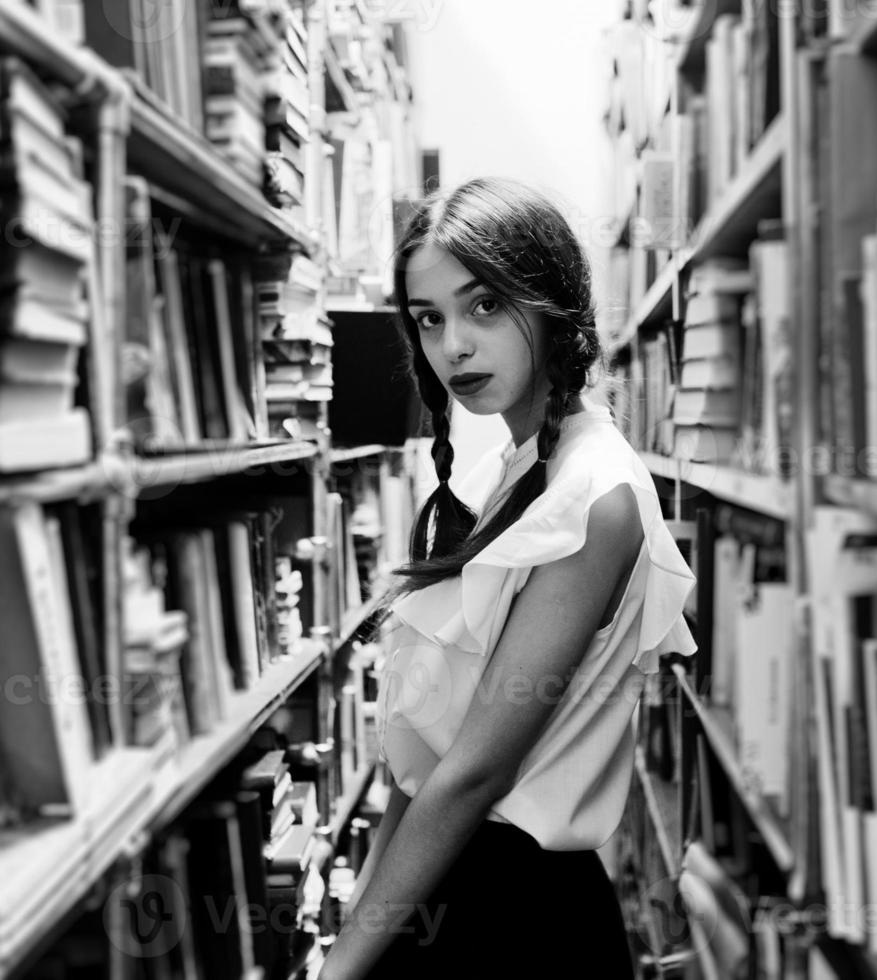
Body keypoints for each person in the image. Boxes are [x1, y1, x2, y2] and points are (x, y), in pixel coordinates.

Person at [316, 177, 697, 980]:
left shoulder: (595, 494)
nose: (452, 344)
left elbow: (478, 770)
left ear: (550, 303)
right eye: (428, 317)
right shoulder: (524, 467)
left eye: (483, 305)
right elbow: (430, 764)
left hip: (518, 920)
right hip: (452, 891)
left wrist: (341, 965)